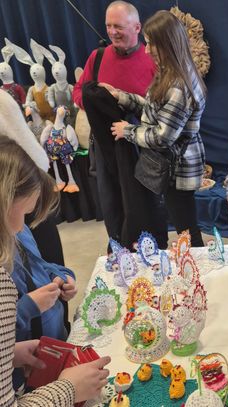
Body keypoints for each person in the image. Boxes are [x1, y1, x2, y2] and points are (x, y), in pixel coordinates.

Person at [0, 135, 111, 406]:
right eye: (23, 214)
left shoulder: (18, 234)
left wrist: (10, 354)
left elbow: (40, 264)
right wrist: (69, 389)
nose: (21, 226)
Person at [102, 10, 206, 247]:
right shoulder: (170, 73)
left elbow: (162, 137)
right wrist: (122, 97)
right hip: (173, 167)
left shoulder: (179, 85)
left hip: (177, 170)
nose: (146, 50)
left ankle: (197, 265)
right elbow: (154, 110)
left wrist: (128, 131)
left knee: (186, 230)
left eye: (151, 44)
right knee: (184, 226)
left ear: (167, 44)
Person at [73, 0, 168, 251]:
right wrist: (98, 101)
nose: (112, 32)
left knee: (146, 202)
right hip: (106, 146)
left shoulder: (153, 60)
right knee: (111, 201)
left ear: (137, 27)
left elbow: (161, 107)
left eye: (119, 26)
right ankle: (119, 247)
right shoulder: (97, 57)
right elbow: (78, 92)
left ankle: (151, 248)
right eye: (108, 26)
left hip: (141, 145)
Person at [12, 225, 78, 390]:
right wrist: (26, 308)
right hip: (25, 370)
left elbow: (39, 266)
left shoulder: (20, 229)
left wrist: (60, 275)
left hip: (55, 338)